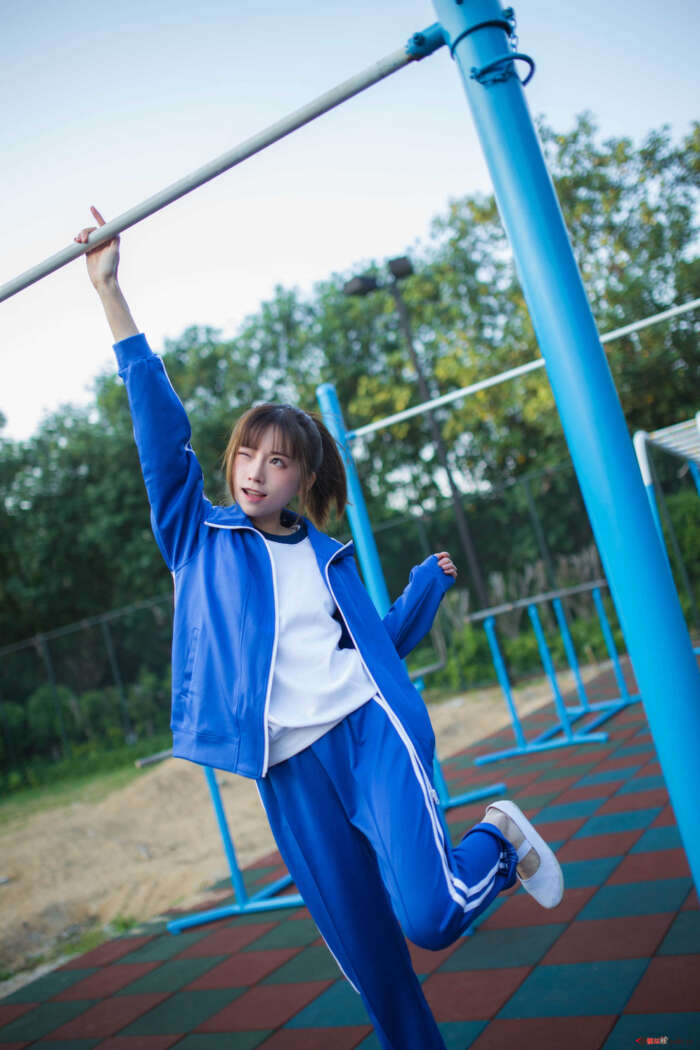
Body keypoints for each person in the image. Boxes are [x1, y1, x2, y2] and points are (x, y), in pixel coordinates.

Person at [75, 207, 564, 1050]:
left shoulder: (326, 558)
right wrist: (111, 294)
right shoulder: (198, 537)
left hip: (369, 734)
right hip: (287, 771)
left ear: (301, 477)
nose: (256, 471)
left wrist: (423, 589)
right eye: (246, 454)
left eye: (278, 461)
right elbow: (159, 437)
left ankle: (496, 838)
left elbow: (379, 649)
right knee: (375, 968)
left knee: (431, 918)